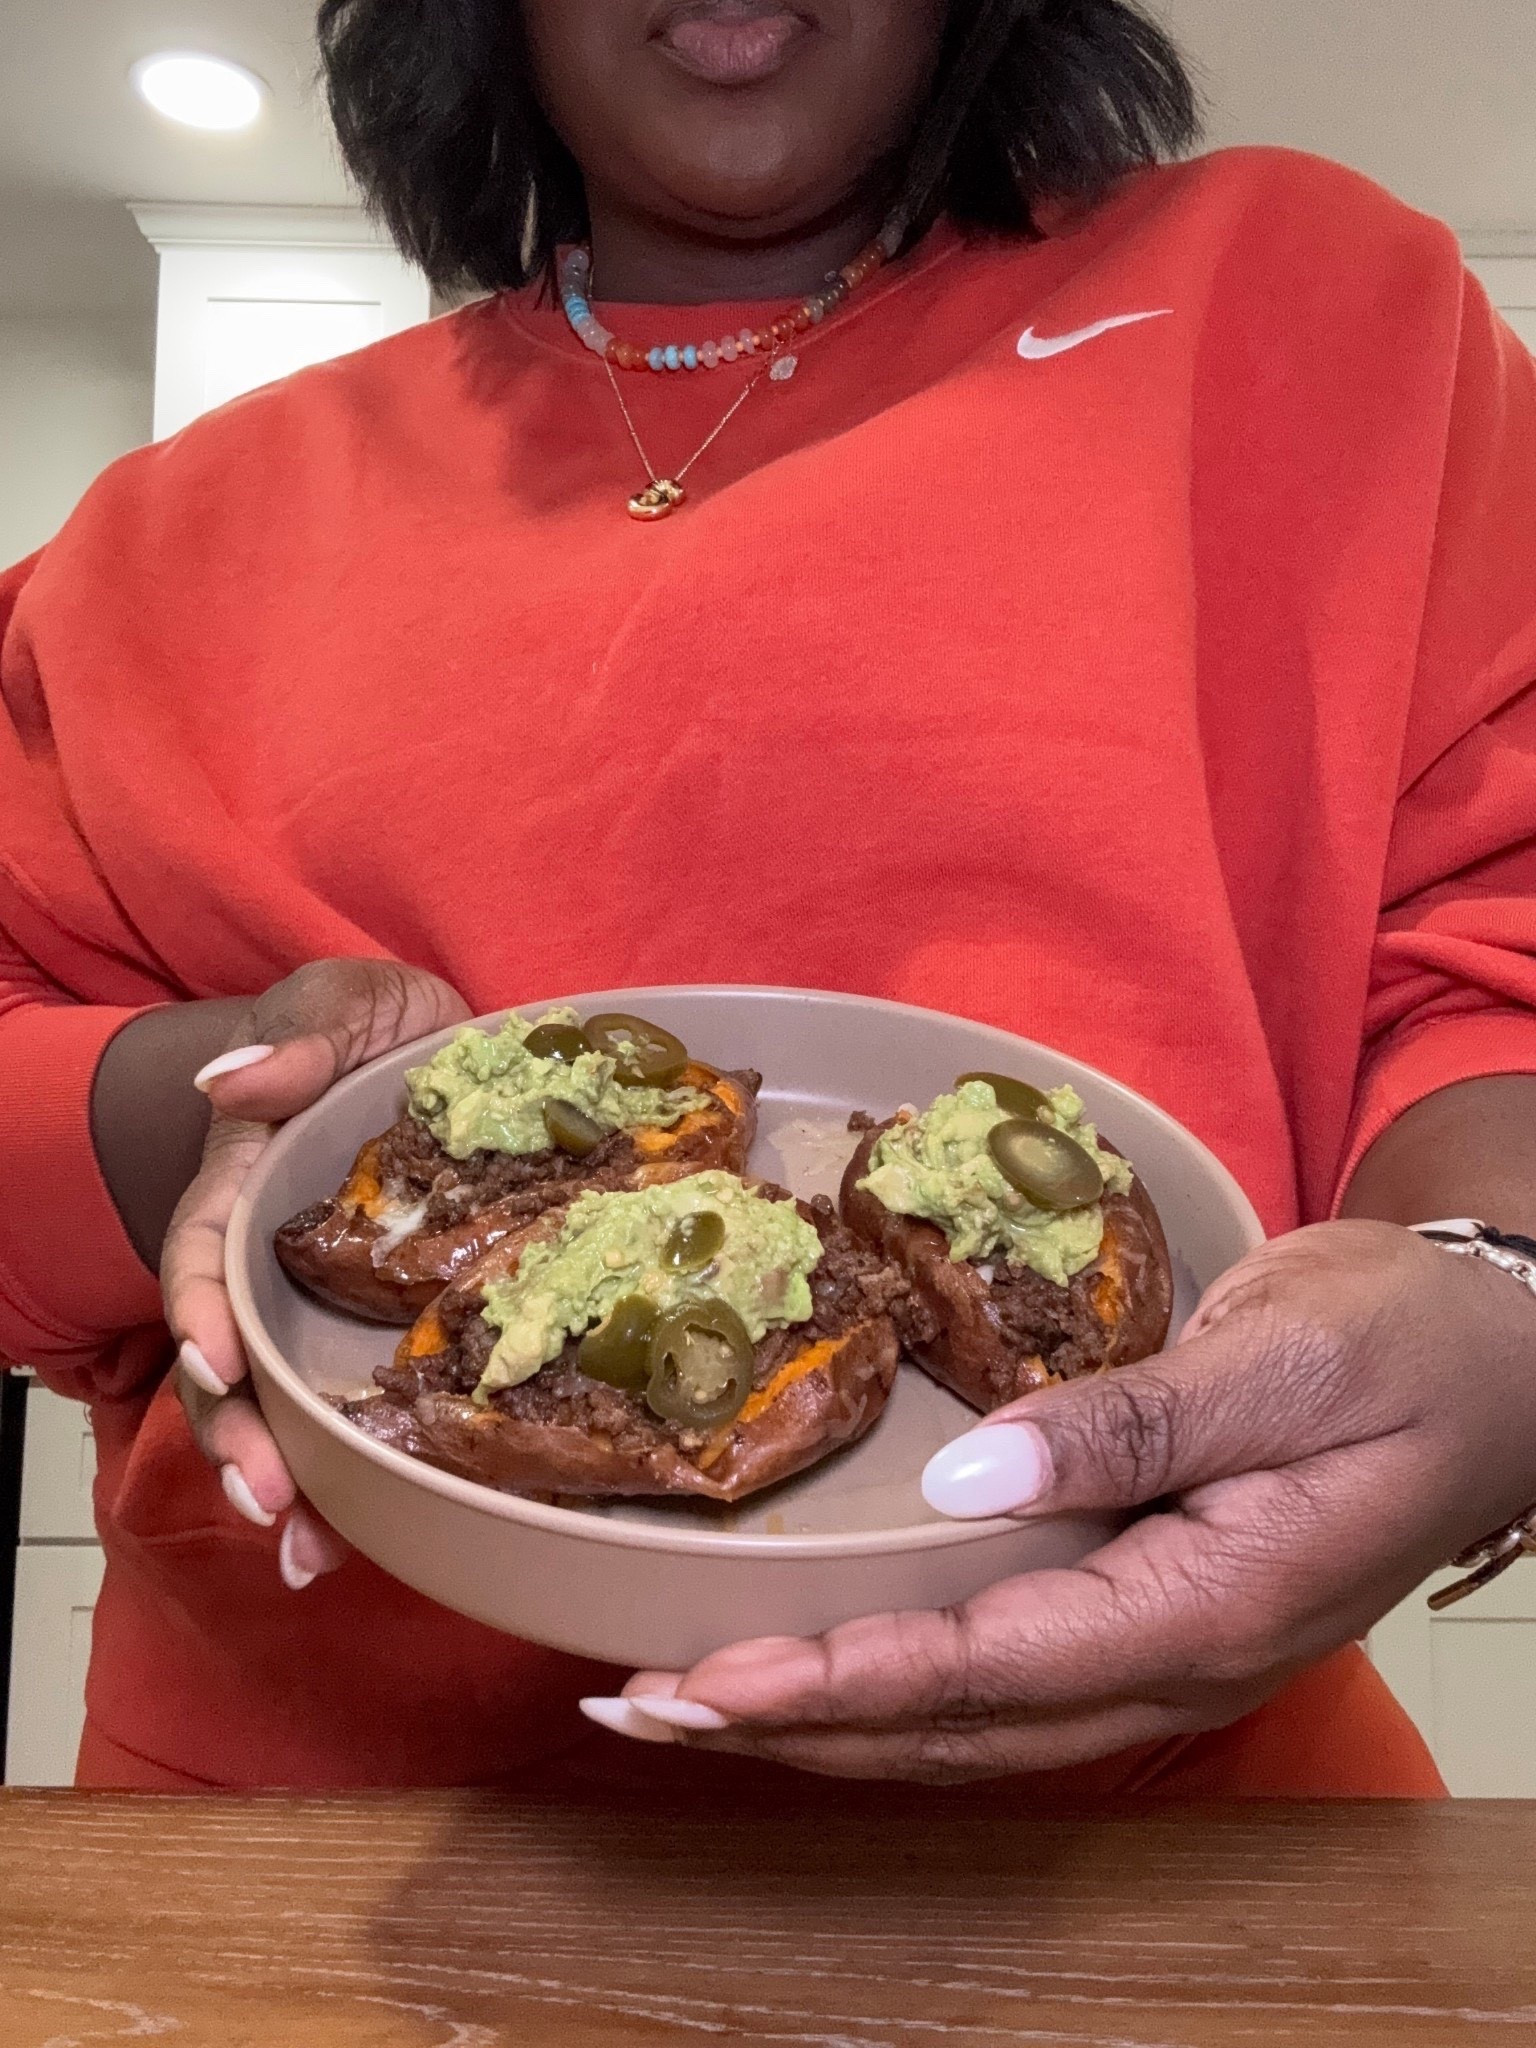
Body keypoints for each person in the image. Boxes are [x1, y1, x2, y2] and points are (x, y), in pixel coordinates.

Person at [2, 0, 1533, 1797]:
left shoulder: (1313, 309)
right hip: (292, 1843)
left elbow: (1493, 946)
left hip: (1175, 1846)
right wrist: (238, 1095)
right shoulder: (161, 536)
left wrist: (1498, 1290)